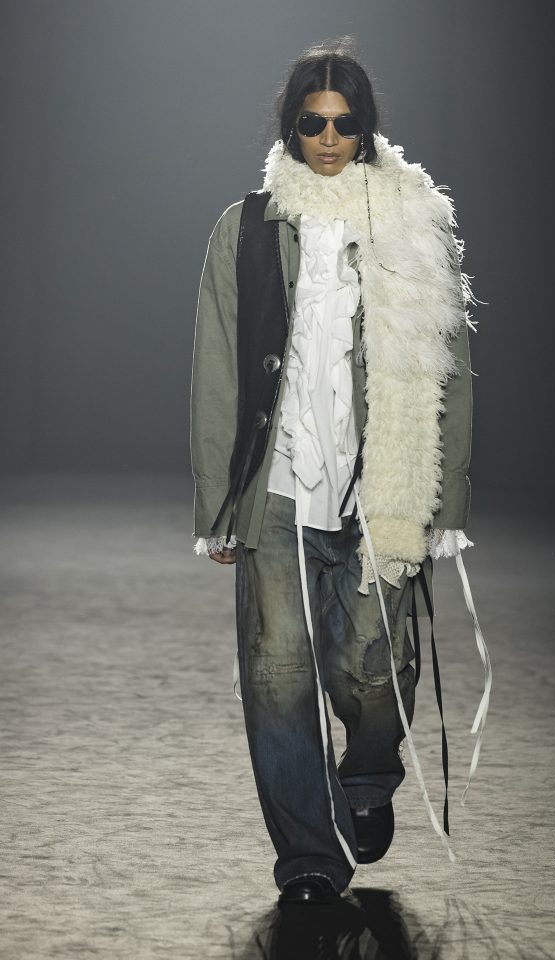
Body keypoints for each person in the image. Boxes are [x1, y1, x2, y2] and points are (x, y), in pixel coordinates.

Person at [190, 38, 491, 907]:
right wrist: (218, 503)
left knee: (371, 667)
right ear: (289, 128)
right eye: (312, 123)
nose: (329, 138)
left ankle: (366, 776)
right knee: (277, 675)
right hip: (277, 486)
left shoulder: (411, 226)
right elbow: (217, 368)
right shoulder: (245, 229)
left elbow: (450, 372)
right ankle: (309, 858)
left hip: (377, 486)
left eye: (345, 123)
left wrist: (446, 501)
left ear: (367, 129)